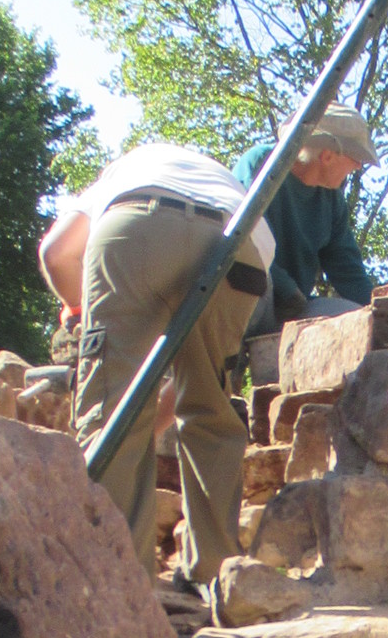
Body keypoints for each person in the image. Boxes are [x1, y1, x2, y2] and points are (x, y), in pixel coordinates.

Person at [39, 141, 273, 585]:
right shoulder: (222, 180)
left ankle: (120, 587)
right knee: (211, 409)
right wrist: (151, 416)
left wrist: (81, 312)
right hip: (243, 242)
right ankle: (216, 577)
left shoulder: (123, 172)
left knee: (111, 415)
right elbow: (184, 390)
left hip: (136, 229)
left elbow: (55, 254)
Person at [231, 103, 378, 332]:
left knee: (359, 318)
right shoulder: (262, 165)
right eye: (356, 157)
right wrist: (286, 289)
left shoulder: (331, 200)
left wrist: (383, 311)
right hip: (249, 295)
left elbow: (349, 272)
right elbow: (244, 242)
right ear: (327, 156)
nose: (359, 165)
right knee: (254, 284)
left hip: (294, 307)